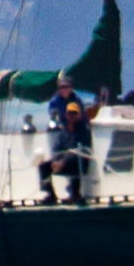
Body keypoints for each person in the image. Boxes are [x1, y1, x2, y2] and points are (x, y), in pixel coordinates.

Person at [39, 74, 90, 204]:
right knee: (44, 167)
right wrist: (56, 161)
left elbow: (81, 148)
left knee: (76, 160)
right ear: (65, 115)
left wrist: (63, 161)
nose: (72, 116)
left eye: (75, 113)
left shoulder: (83, 130)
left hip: (80, 159)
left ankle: (75, 193)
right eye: (69, 113)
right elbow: (57, 148)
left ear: (79, 114)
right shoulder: (64, 131)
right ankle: (51, 194)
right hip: (64, 161)